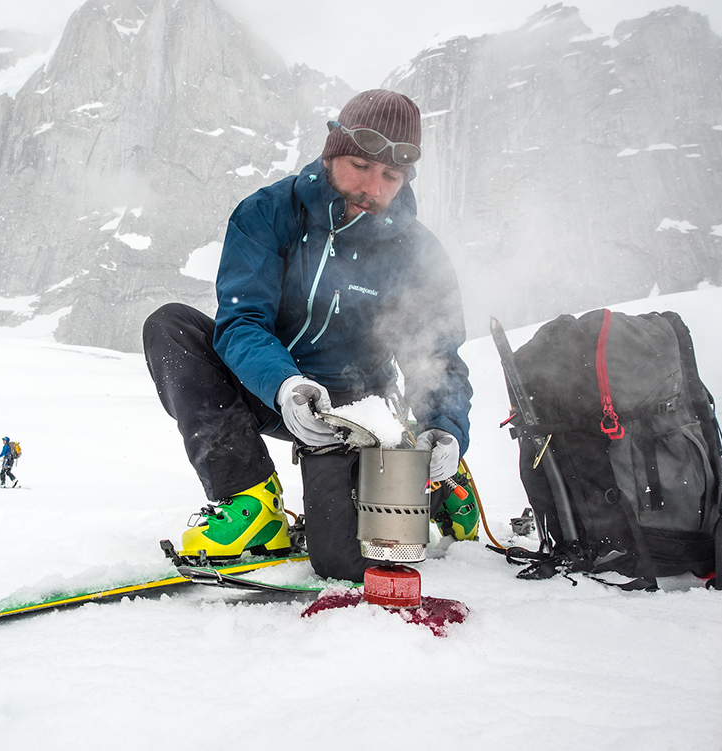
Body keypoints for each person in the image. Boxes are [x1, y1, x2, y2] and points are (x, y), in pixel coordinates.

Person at [142, 90, 473, 583]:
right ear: (331, 152)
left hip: (359, 411)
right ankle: (250, 504)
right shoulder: (268, 213)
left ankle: (440, 483)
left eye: (390, 176)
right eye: (360, 165)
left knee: (341, 560)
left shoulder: (417, 252)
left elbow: (438, 354)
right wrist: (285, 385)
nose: (372, 187)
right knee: (171, 327)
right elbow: (242, 322)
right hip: (273, 389)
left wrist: (446, 427)